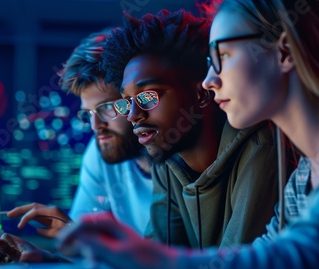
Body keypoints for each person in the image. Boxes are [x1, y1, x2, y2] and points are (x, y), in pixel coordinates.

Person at [56, 0, 319, 269]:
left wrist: (152, 258)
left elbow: (314, 258)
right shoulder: (303, 176)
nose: (209, 80)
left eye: (221, 57)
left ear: (283, 51)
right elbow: (263, 257)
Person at [99, 9, 287, 249]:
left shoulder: (261, 147)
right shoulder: (166, 156)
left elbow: (234, 268)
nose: (133, 115)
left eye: (148, 96)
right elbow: (157, 262)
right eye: (127, 102)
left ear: (201, 94)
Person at [0, 28, 153, 262]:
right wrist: (47, 260)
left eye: (107, 108)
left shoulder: (175, 156)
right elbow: (86, 260)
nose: (96, 126)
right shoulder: (100, 153)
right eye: (88, 114)